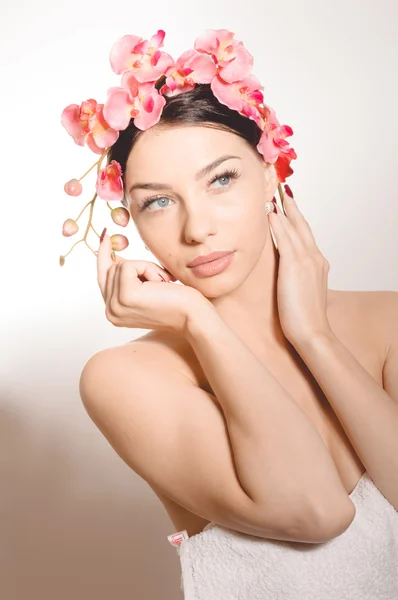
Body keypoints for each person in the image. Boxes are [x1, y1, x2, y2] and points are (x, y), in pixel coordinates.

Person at [69, 29, 398, 599]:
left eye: (221, 179)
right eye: (159, 201)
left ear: (271, 173)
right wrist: (201, 321)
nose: (197, 230)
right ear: (132, 219)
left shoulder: (385, 321)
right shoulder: (127, 379)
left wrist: (314, 336)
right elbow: (316, 512)